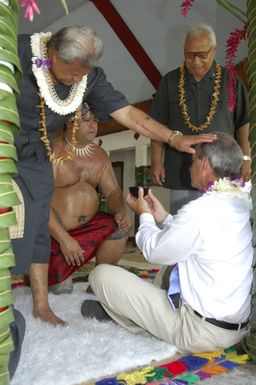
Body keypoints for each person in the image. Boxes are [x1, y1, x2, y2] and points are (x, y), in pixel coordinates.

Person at [11, 25, 216, 326]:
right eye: (73, 73)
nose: (79, 80)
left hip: (35, 153)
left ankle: (41, 306)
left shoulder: (88, 79)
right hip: (4, 142)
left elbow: (129, 114)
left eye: (84, 74)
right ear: (53, 55)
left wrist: (174, 138)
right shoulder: (17, 53)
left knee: (39, 224)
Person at [81, 132, 253, 353]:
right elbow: (197, 239)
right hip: (235, 330)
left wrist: (144, 214)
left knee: (101, 275)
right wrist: (162, 216)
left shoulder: (200, 211)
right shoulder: (241, 201)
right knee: (170, 268)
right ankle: (133, 313)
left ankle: (132, 319)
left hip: (198, 332)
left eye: (192, 161)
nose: (188, 168)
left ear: (205, 165)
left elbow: (154, 251)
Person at [149, 23, 251, 215]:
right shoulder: (170, 81)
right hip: (181, 172)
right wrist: (156, 160)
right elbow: (157, 125)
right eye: (189, 54)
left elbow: (243, 123)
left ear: (214, 50)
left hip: (223, 172)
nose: (195, 61)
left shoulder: (231, 80)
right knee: (184, 227)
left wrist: (246, 159)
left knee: (221, 228)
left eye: (202, 54)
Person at [47, 102, 131, 295]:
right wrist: (64, 239)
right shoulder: (52, 149)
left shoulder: (100, 156)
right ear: (69, 123)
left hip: (87, 227)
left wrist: (119, 211)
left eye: (95, 120)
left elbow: (113, 192)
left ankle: (99, 283)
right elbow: (38, 202)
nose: (93, 125)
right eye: (85, 120)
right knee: (61, 290)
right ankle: (56, 271)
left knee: (119, 227)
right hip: (53, 232)